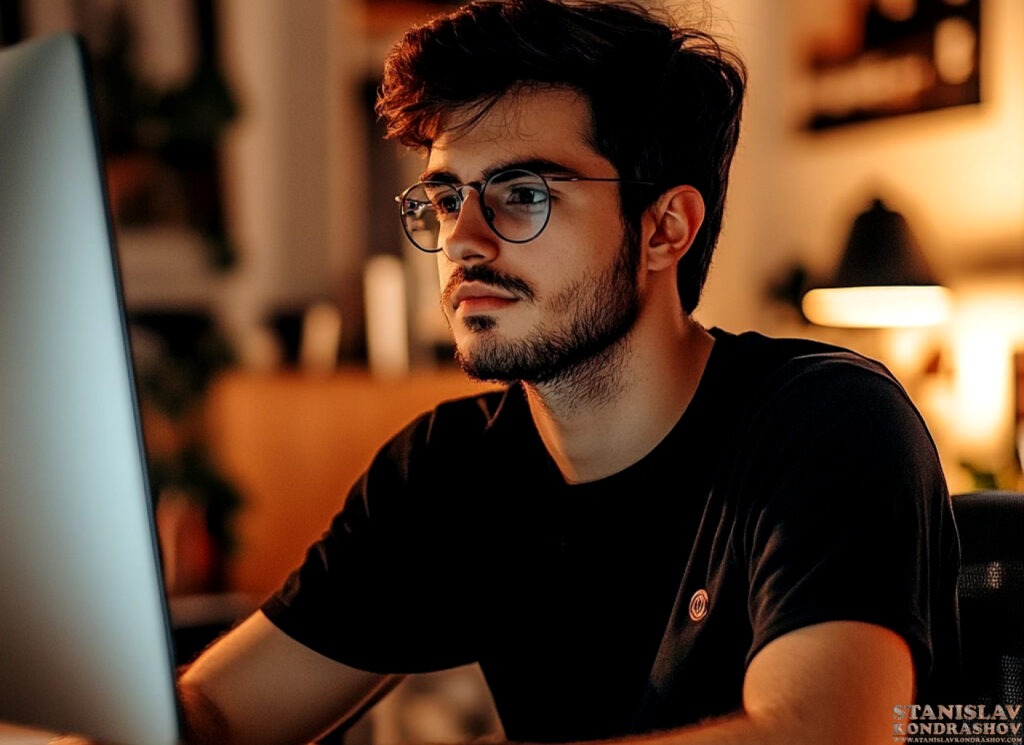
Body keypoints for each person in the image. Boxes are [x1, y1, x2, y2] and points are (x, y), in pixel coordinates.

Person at [64, 1, 960, 743]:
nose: (462, 238)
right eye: (447, 197)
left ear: (664, 228)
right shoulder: (448, 471)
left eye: (523, 195)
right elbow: (219, 713)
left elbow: (816, 735)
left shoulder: (828, 422)